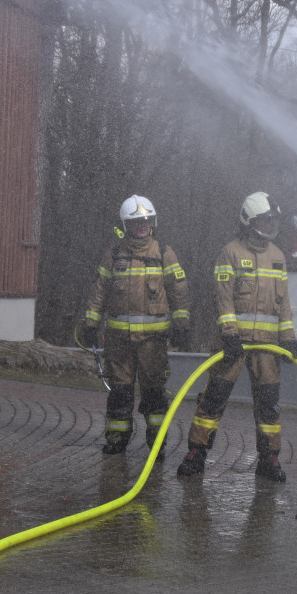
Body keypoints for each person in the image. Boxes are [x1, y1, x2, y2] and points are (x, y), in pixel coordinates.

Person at [176, 192, 297, 482]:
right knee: (213, 399)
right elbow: (224, 298)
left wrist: (289, 338)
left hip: (267, 348)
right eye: (265, 221)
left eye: (273, 221)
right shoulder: (230, 253)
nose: (270, 226)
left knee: (269, 405)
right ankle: (196, 455)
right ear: (249, 221)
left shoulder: (278, 257)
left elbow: (284, 303)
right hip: (232, 345)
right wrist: (229, 335)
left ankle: (269, 459)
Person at [80, 195, 190, 460]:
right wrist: (91, 323)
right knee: (120, 393)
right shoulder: (114, 255)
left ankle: (157, 444)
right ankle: (116, 441)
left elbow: (179, 291)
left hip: (153, 342)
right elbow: (99, 291)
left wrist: (182, 323)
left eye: (146, 221)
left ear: (152, 222)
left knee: (154, 395)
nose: (142, 226)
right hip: (119, 342)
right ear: (126, 224)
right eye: (137, 222)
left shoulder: (164, 253)